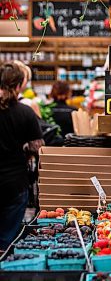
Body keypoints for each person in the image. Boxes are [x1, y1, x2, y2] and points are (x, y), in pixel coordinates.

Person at [0, 63, 43, 250]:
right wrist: (25, 150)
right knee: (7, 239)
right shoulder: (25, 112)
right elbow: (37, 147)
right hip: (14, 182)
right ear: (18, 86)